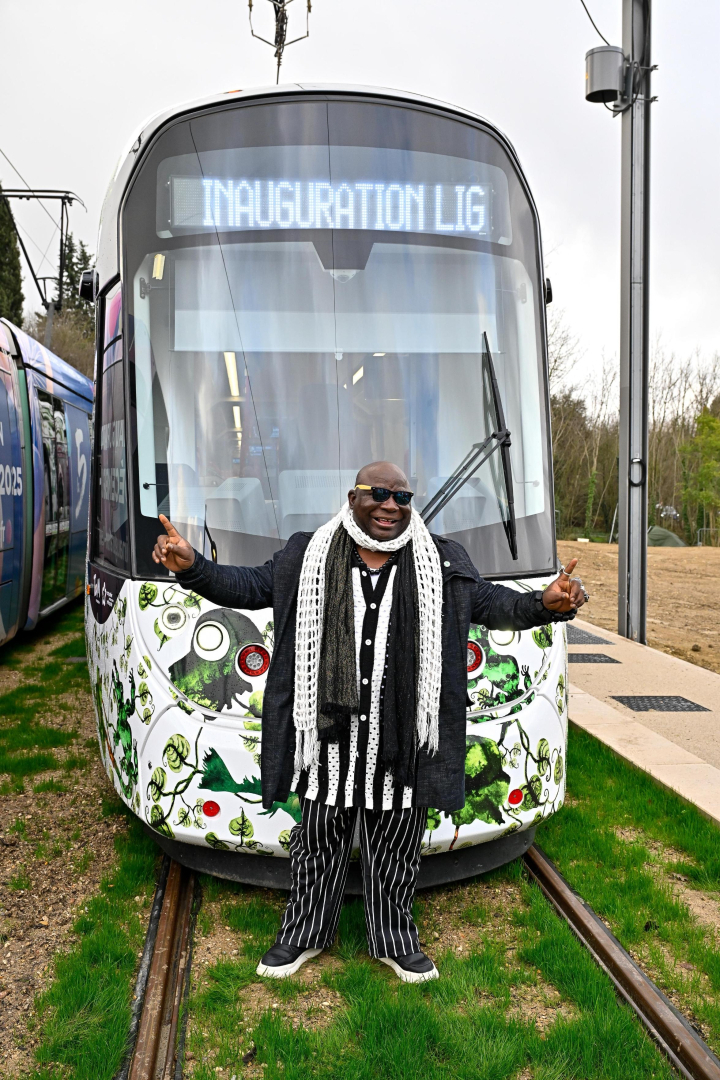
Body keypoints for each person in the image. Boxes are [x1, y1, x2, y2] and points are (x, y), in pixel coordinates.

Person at [153, 461, 586, 984]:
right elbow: (247, 586)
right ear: (354, 496)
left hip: (402, 741)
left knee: (397, 847)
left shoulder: (443, 562)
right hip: (328, 741)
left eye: (402, 497)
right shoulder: (306, 553)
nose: (390, 505)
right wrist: (193, 565)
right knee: (317, 842)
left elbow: (495, 606)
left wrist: (546, 603)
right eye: (378, 493)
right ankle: (305, 933)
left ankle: (394, 939)